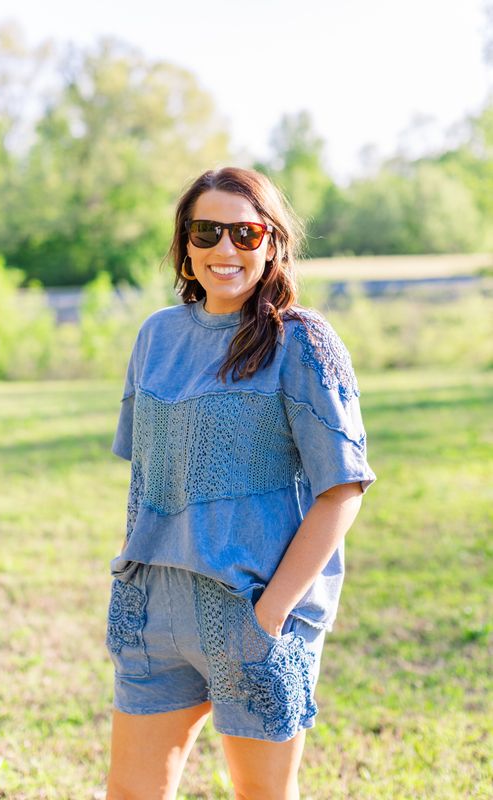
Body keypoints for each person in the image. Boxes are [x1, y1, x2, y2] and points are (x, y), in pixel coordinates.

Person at [104, 166, 377, 800]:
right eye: (208, 232)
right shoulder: (156, 336)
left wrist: (272, 614)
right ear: (186, 245)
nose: (226, 249)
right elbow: (146, 476)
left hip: (252, 609)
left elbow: (342, 490)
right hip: (154, 609)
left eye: (246, 233)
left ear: (272, 243)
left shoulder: (303, 342)